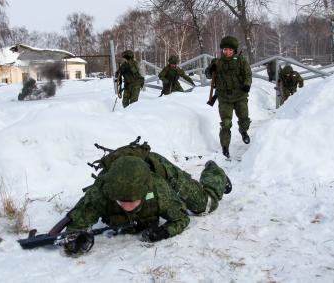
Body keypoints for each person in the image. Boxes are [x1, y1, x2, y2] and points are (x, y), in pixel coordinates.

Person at [62, 145, 231, 255]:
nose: (127, 207)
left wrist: (165, 231)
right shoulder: (102, 190)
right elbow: (76, 225)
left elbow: (182, 218)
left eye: (133, 201)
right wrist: (76, 243)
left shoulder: (157, 188)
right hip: (121, 172)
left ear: (143, 193)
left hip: (157, 167)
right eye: (122, 202)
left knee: (205, 204)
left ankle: (214, 171)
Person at [205, 36, 252, 158]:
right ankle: (225, 146)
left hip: (240, 95)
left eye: (230, 50)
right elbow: (208, 75)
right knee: (226, 123)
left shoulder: (241, 61)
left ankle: (243, 131)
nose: (227, 52)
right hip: (224, 97)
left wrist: (247, 85)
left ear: (234, 50)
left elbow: (248, 74)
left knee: (244, 119)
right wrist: (211, 68)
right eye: (225, 49)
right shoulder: (217, 62)